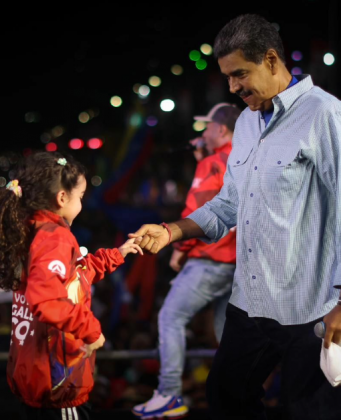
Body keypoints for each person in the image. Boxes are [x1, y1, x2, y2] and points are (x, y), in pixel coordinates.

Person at [129, 13, 341, 420]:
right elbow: (229, 203)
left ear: (272, 60)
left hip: (310, 309)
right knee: (226, 397)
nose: (232, 87)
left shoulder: (324, 115)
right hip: (250, 303)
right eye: (227, 77)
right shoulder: (245, 122)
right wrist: (172, 230)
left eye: (240, 74)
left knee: (310, 411)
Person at [0, 151, 142, 420]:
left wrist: (117, 254)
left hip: (35, 373)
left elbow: (73, 277)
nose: (82, 204)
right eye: (80, 197)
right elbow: (48, 300)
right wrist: (90, 330)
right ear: (62, 198)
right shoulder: (55, 238)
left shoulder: (31, 229)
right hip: (58, 384)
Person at [132, 103, 240, 419]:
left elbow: (201, 210)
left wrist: (181, 247)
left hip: (211, 258)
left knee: (170, 317)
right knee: (226, 335)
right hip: (237, 261)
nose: (202, 132)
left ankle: (169, 394)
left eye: (207, 126)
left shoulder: (213, 161)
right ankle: (236, 398)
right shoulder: (241, 158)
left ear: (221, 130)